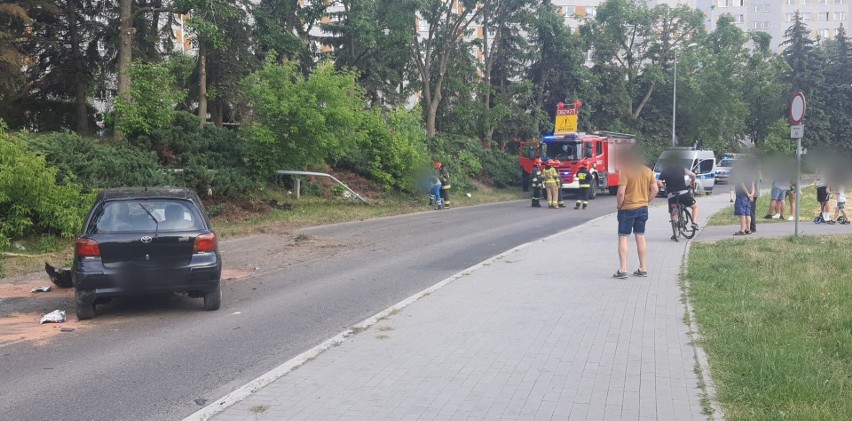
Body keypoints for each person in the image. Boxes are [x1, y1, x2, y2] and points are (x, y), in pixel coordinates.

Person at [613, 147, 658, 279]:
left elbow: (621, 192)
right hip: (642, 208)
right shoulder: (647, 171)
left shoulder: (625, 171)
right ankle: (643, 268)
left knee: (623, 237)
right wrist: (645, 201)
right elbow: (654, 189)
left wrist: (619, 205)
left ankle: (623, 270)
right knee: (640, 237)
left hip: (627, 209)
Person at [657, 159, 699, 240]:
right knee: (695, 207)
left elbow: (659, 182)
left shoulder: (665, 171)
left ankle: (675, 232)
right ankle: (694, 223)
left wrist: (665, 188)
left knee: (674, 211)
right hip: (683, 193)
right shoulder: (682, 169)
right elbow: (693, 175)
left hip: (672, 195)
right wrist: (692, 183)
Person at [733, 168, 754, 236]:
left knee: (742, 214)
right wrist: (751, 195)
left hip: (741, 196)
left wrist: (748, 194)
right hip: (748, 198)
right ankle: (748, 229)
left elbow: (742, 185)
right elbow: (753, 186)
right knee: (747, 214)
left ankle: (742, 230)